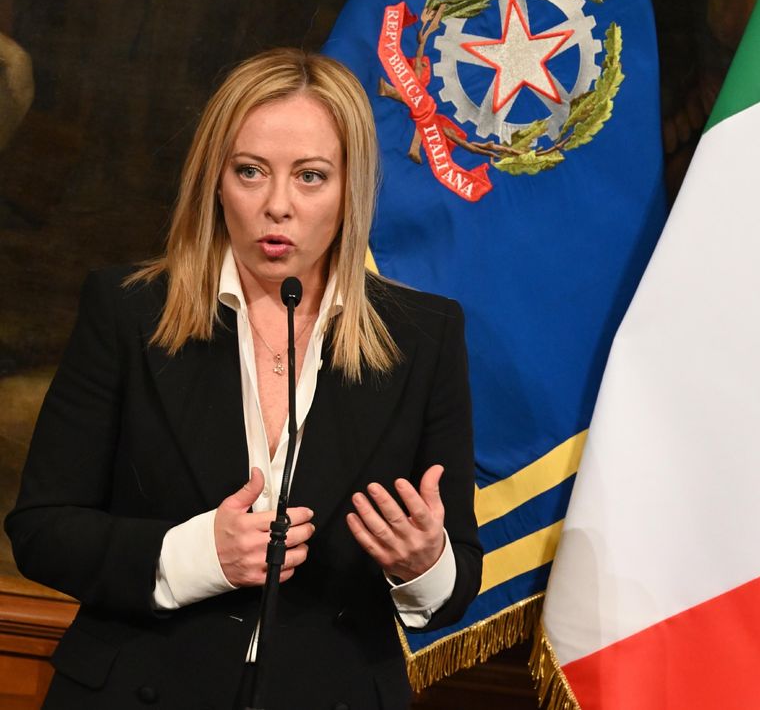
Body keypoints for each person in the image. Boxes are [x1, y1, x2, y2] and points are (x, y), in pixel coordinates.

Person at [5, 48, 482, 710]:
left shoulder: (425, 336)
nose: (276, 205)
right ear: (215, 179)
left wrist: (423, 562)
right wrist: (197, 553)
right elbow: (41, 529)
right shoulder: (128, 312)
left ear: (351, 188)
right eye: (251, 171)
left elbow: (454, 580)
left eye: (311, 176)